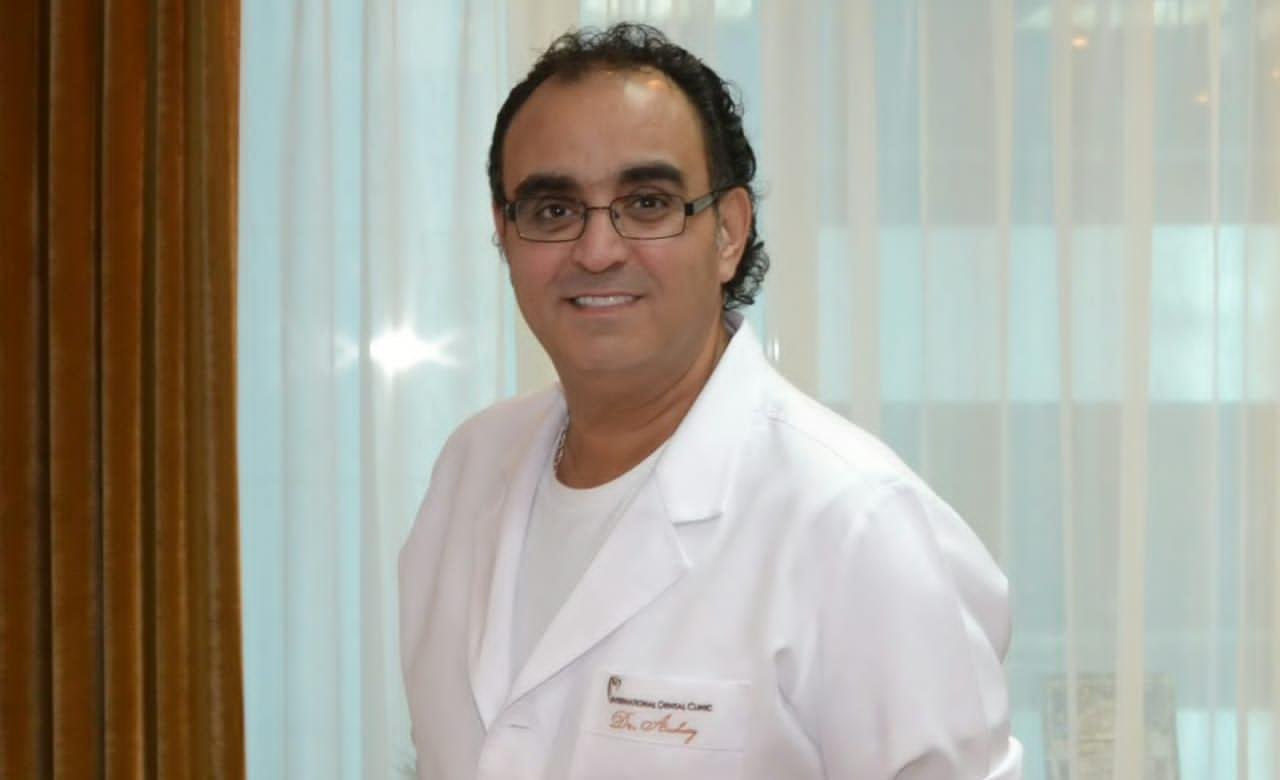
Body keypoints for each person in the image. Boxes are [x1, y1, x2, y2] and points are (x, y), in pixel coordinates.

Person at [399, 22, 1022, 779]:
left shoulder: (855, 523)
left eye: (648, 202)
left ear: (728, 232)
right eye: (553, 210)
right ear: (505, 234)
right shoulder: (470, 469)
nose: (597, 250)